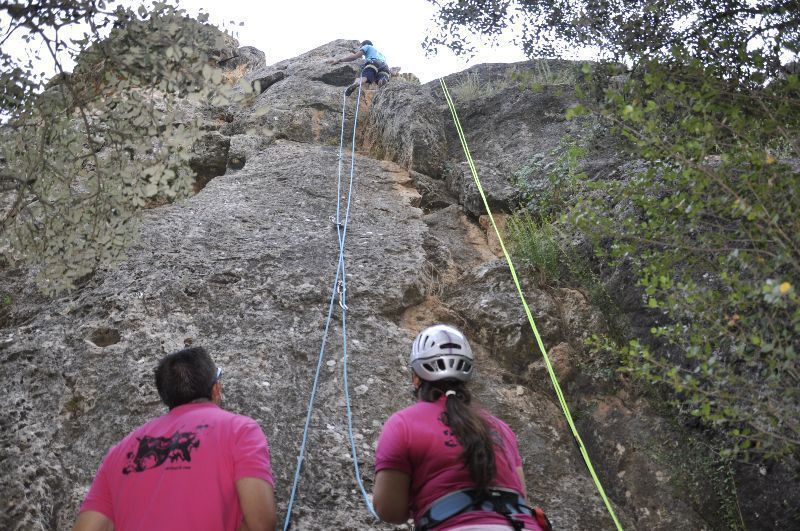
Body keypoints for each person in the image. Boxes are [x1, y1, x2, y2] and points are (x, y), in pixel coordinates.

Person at [72, 346, 276, 531]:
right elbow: (260, 524)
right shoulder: (241, 430)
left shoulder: (119, 452)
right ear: (216, 388)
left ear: (166, 397)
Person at [373, 325, 553, 531]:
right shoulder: (501, 429)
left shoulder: (403, 424)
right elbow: (520, 494)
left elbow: (389, 509)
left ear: (416, 377)